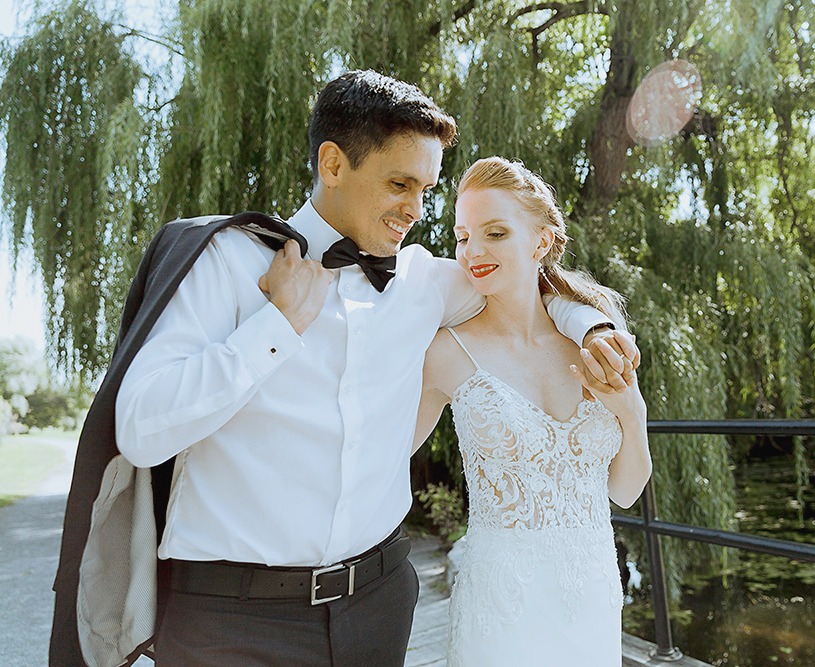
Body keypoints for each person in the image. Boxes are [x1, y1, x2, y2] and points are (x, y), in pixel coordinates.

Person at [50, 70, 639, 667]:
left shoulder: (423, 282)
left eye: (425, 190)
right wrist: (276, 327)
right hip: (233, 621)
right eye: (398, 183)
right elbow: (142, 430)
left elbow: (521, 287)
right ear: (333, 165)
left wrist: (591, 325)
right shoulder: (225, 262)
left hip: (375, 611)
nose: (415, 210)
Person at [413, 157, 652, 666]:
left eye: (495, 233)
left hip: (590, 593)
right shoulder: (445, 352)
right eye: (461, 236)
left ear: (541, 242)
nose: (473, 252)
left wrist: (632, 413)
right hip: (501, 606)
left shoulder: (594, 342)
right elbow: (382, 456)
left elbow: (626, 491)